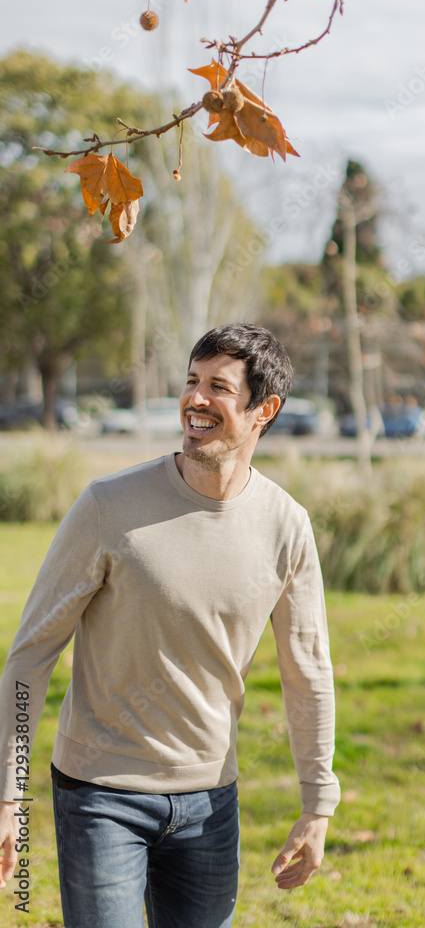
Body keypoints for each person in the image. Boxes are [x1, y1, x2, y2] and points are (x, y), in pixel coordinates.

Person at [0, 323, 340, 928]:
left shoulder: (286, 525)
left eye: (219, 387)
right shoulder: (109, 506)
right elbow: (31, 654)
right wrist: (9, 791)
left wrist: (318, 805)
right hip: (100, 794)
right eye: (191, 381)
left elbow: (308, 672)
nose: (195, 399)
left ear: (264, 411)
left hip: (210, 802)